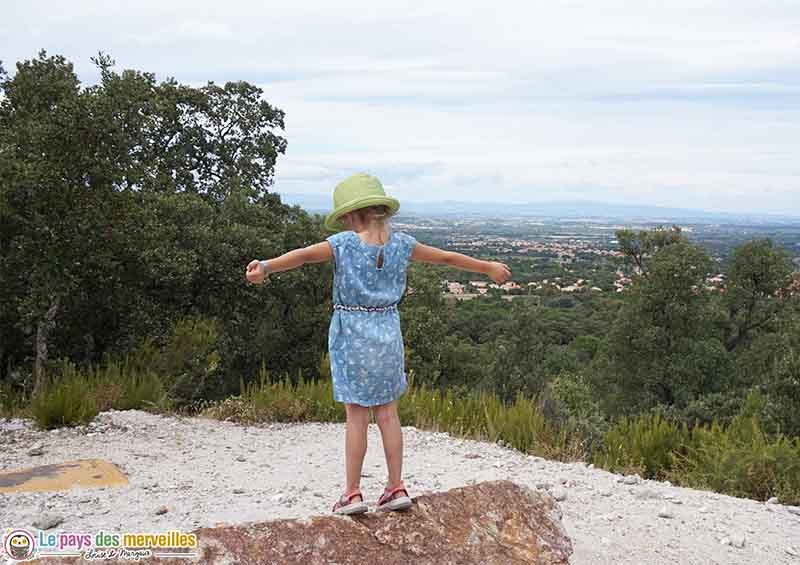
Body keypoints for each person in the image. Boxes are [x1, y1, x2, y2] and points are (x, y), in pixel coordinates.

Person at [245, 172, 512, 515]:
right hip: (388, 331)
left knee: (356, 416)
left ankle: (353, 493)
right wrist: (488, 267)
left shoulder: (342, 244)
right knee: (388, 413)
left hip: (351, 332)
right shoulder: (403, 244)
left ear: (352, 215)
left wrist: (266, 267)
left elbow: (303, 256)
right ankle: (395, 487)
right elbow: (446, 258)